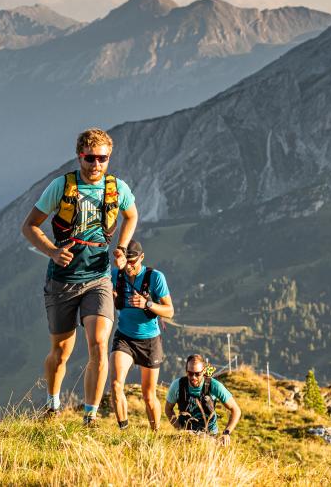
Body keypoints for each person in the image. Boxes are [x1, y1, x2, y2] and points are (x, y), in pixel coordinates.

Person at [21, 128, 139, 425]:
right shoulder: (60, 187)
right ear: (79, 156)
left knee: (99, 343)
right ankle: (52, 402)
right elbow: (30, 226)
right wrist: (52, 251)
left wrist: (122, 249)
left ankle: (90, 416)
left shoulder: (117, 188)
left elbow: (131, 215)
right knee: (61, 352)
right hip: (63, 279)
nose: (96, 164)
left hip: (99, 278)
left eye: (103, 158)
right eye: (90, 158)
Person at [109, 240, 174, 430]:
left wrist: (148, 304)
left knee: (148, 395)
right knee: (115, 385)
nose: (129, 266)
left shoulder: (155, 277)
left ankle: (155, 434)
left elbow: (170, 311)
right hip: (125, 337)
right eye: (126, 261)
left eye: (133, 262)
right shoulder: (116, 275)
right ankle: (124, 430)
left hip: (150, 341)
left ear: (142, 258)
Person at [164, 354, 242, 445]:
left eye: (197, 374)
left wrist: (226, 433)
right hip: (186, 435)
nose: (193, 377)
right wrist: (180, 429)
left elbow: (236, 410)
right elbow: (168, 409)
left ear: (204, 371)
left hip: (210, 436)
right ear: (186, 371)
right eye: (190, 373)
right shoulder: (177, 385)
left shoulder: (214, 385)